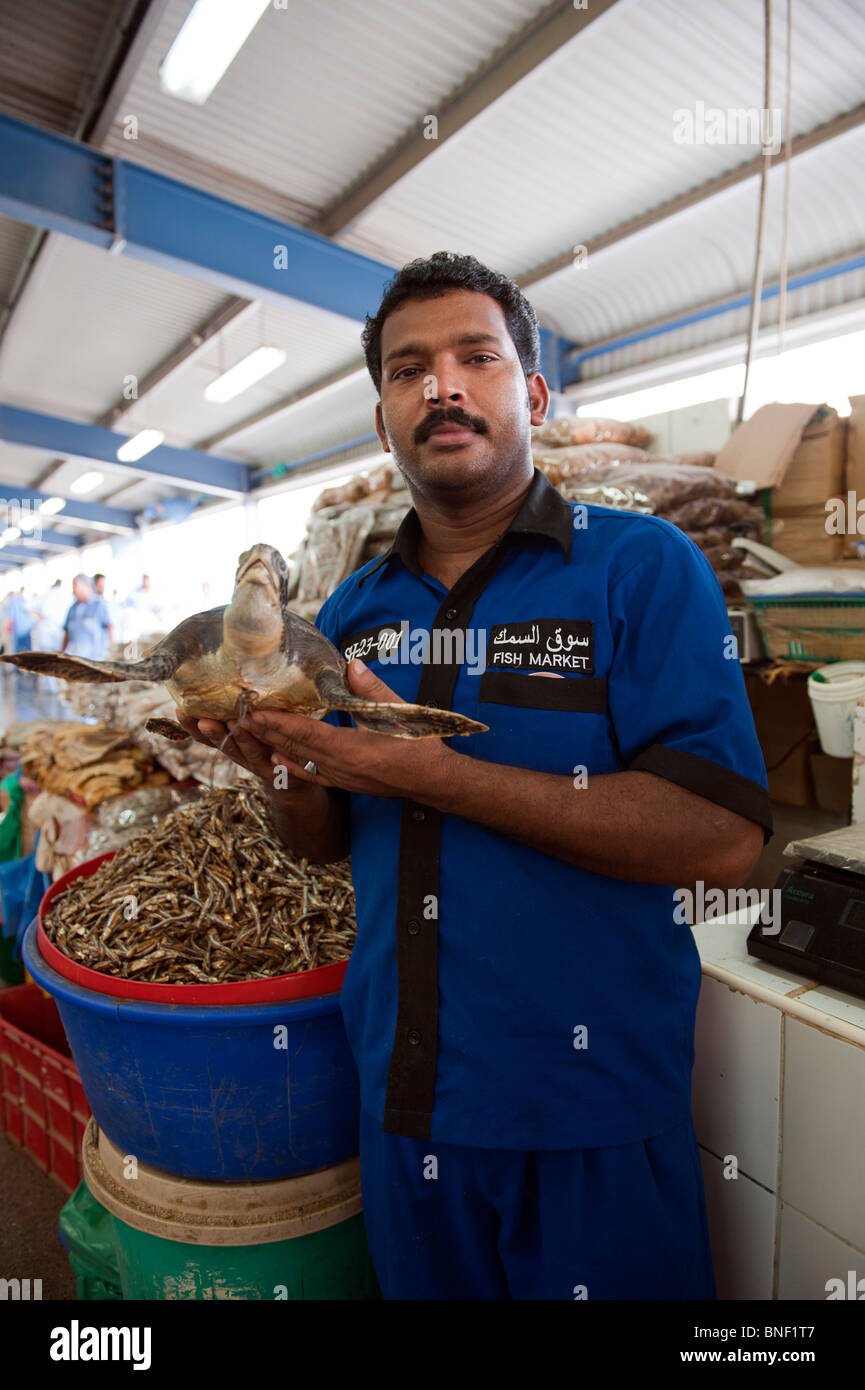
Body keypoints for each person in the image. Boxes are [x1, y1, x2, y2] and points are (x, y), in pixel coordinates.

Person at [175, 251, 772, 1301]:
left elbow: (720, 836)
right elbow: (322, 842)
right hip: (405, 1106)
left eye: (474, 358)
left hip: (585, 1109)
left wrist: (431, 771)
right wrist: (280, 768)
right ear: (382, 418)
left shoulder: (639, 567)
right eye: (407, 370)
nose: (440, 386)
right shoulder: (352, 609)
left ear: (531, 394)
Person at [62, 574, 113, 660]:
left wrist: (111, 654)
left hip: (94, 659)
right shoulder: (72, 609)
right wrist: (62, 654)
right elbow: (67, 634)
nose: (74, 589)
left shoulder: (98, 605)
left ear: (86, 586)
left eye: (76, 585)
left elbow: (110, 629)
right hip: (74, 658)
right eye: (73, 585)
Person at [6, 587, 36, 654]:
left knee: (17, 651)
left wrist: (8, 627)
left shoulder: (15, 599)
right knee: (26, 650)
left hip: (19, 629)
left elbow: (10, 615)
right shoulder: (26, 599)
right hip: (25, 629)